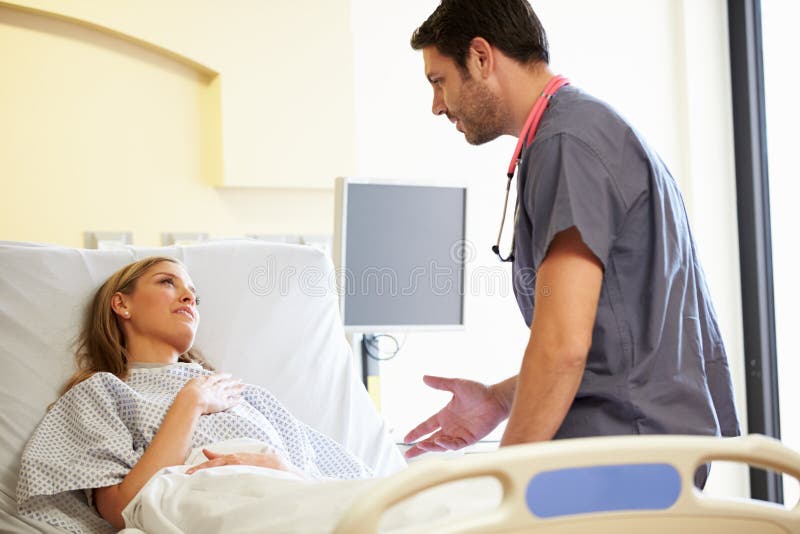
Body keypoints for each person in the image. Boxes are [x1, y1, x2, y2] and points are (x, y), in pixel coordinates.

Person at [403, 0, 740, 465]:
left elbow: (563, 347)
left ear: (480, 58)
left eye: (438, 82)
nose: (437, 106)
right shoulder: (577, 132)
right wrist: (500, 400)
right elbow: (613, 348)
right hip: (644, 448)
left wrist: (505, 481)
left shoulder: (568, 144)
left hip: (627, 458)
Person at [17, 257, 370, 533]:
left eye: (194, 295)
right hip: (205, 506)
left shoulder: (246, 395)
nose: (188, 297)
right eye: (167, 282)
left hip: (292, 499)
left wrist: (283, 468)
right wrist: (190, 404)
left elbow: (346, 487)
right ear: (122, 304)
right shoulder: (101, 393)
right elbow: (123, 511)